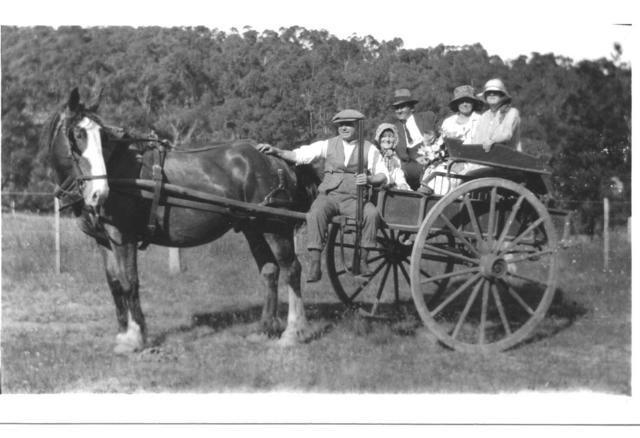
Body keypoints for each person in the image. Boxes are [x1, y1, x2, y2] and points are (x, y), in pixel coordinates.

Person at [256, 109, 389, 283]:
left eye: (348, 124)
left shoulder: (370, 149)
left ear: (357, 126)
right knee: (315, 213)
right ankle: (315, 265)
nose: (344, 128)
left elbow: (383, 175)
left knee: (371, 214)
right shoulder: (328, 145)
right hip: (330, 196)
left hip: (354, 199)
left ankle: (363, 261)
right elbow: (300, 155)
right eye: (341, 125)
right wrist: (276, 151)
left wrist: (370, 178)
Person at [419, 85, 484, 195]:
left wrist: (464, 164)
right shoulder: (448, 122)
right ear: (457, 104)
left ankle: (440, 200)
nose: (464, 104)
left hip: (470, 164)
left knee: (444, 176)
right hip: (448, 161)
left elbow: (481, 149)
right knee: (434, 170)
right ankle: (427, 195)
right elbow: (441, 145)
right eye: (461, 101)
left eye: (468, 101)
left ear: (473, 103)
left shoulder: (480, 121)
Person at [390, 88, 438, 190]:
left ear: (411, 108)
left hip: (432, 160)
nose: (399, 110)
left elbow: (437, 138)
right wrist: (414, 157)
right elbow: (401, 154)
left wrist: (429, 156)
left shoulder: (426, 117)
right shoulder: (394, 128)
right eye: (396, 108)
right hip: (409, 165)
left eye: (402, 107)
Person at [471, 78, 522, 152]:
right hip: (486, 159)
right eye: (488, 92)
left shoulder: (512, 112)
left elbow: (507, 134)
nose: (492, 94)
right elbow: (476, 140)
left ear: (502, 96)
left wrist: (492, 140)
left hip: (508, 160)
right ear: (485, 96)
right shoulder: (484, 116)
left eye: (496, 92)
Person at [373, 123, 411, 191]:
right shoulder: (374, 154)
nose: (387, 140)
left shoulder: (395, 158)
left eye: (390, 136)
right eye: (384, 136)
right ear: (379, 138)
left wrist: (402, 184)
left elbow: (398, 175)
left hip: (391, 191)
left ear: (395, 140)